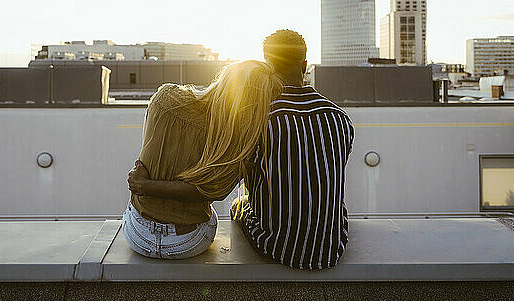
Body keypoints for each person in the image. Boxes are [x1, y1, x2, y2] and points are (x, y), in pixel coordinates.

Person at [125, 60, 282, 259]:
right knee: (218, 214)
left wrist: (144, 186)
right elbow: (210, 192)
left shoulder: (165, 97)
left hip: (138, 234)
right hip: (187, 241)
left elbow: (146, 158)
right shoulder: (238, 142)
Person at [232, 29, 355, 269]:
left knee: (239, 204)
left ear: (267, 67)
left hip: (277, 247)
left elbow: (240, 174)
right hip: (331, 247)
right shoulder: (340, 119)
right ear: (305, 65)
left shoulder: (261, 120)